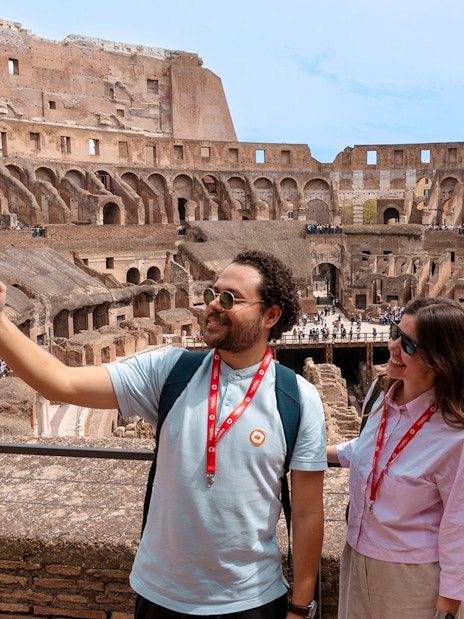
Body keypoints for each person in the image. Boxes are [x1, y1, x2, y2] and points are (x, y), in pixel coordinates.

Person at [0, 249, 327, 619]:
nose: (212, 306)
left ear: (270, 315)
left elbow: (306, 512)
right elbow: (61, 383)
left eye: (229, 299)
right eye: (211, 294)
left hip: (251, 599)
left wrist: (301, 606)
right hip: (162, 596)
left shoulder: (299, 399)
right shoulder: (170, 371)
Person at [328, 297, 464, 619]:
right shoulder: (380, 397)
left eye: (409, 345)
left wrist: (447, 608)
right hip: (356, 557)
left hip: (411, 578)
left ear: (440, 359)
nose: (392, 346)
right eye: (394, 332)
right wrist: (310, 453)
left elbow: (459, 527)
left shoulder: (454, 437)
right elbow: (366, 450)